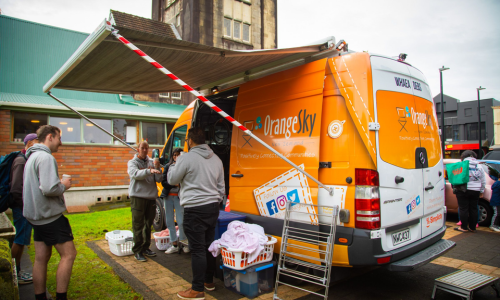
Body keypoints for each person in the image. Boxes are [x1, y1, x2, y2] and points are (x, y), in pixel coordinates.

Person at [168, 128, 225, 300]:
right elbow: (222, 188)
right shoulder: (216, 159)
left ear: (190, 141)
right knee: (208, 245)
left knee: (198, 249)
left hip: (194, 208)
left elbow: (172, 180)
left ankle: (197, 289)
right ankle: (208, 281)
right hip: (213, 208)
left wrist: (174, 165)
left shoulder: (186, 158)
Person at [23, 125, 76, 300]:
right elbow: (48, 188)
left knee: (41, 258)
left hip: (36, 217)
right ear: (50, 137)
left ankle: (40, 297)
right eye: (59, 138)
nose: (61, 142)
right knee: (69, 254)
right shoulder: (45, 157)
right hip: (50, 217)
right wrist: (63, 186)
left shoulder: (31, 156)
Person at [10, 133, 38, 285]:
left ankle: (17, 271)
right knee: (20, 239)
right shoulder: (21, 161)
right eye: (35, 143)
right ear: (28, 143)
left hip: (24, 207)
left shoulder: (25, 159)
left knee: (22, 239)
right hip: (22, 207)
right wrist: (26, 206)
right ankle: (14, 273)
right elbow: (16, 189)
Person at [128, 140, 162, 262]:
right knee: (138, 225)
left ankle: (146, 247)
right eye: (142, 148)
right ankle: (137, 251)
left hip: (151, 197)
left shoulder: (152, 162)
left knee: (148, 224)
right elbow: (135, 174)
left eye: (146, 148)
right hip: (138, 197)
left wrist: (157, 168)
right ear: (137, 149)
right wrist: (149, 171)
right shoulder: (132, 163)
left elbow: (158, 179)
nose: (144, 150)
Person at [161, 148, 189, 254]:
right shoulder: (168, 166)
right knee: (169, 220)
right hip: (168, 196)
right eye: (174, 155)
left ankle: (183, 242)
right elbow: (164, 182)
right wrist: (173, 184)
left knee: (181, 221)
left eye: (178, 155)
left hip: (179, 197)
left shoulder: (184, 167)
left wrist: (179, 184)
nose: (176, 157)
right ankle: (174, 244)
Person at [454, 150, 486, 233]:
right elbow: (483, 180)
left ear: (463, 157)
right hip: (476, 190)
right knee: (474, 208)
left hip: (463, 189)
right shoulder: (479, 166)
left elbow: (456, 178)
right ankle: (472, 227)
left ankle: (463, 227)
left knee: (463, 208)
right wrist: (481, 190)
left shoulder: (461, 165)